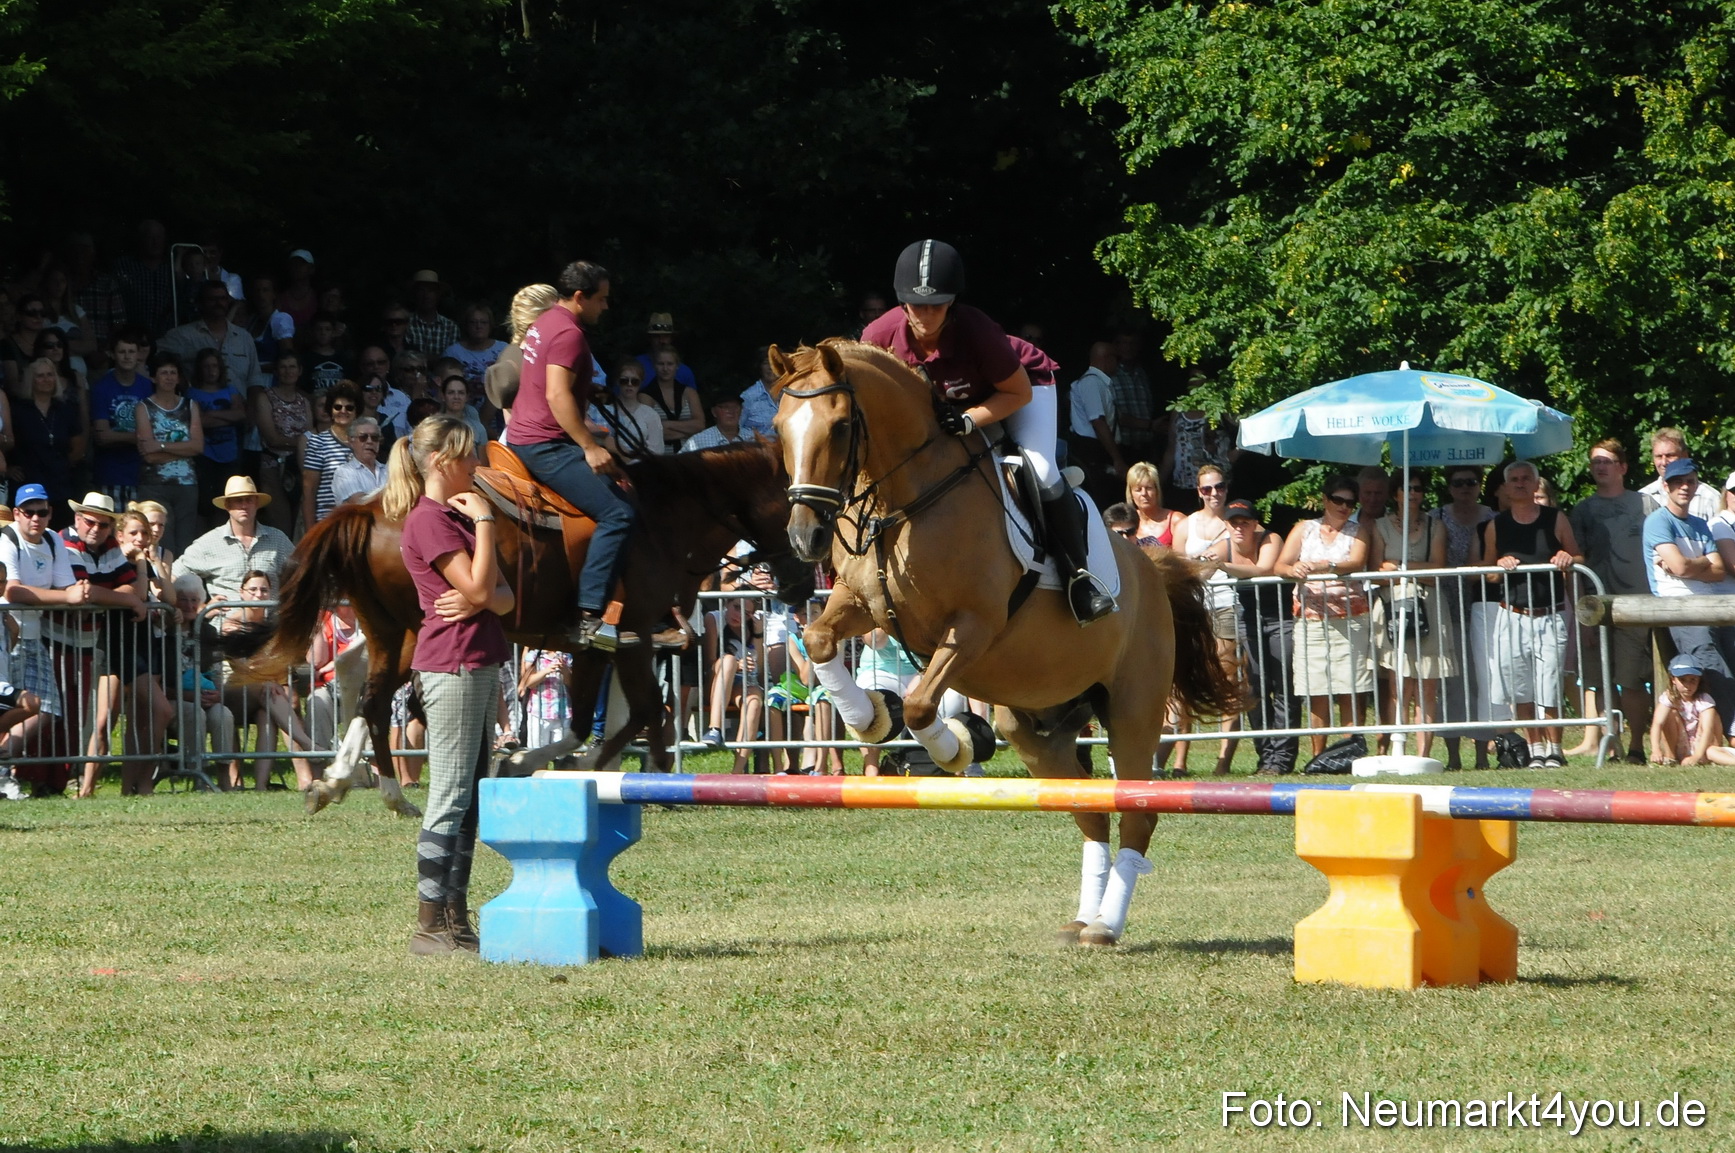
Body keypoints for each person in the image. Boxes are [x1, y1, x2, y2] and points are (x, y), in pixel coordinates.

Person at [859, 239, 1114, 624]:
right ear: (901, 302)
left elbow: (1016, 392)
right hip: (951, 408)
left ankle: (1079, 576)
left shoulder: (976, 331)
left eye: (937, 305)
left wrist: (969, 420)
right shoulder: (879, 338)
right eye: (917, 305)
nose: (926, 315)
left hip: (1020, 389)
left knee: (1041, 469)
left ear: (953, 302)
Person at [384, 413, 515, 955]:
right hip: (453, 665)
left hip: (478, 660)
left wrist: (483, 592)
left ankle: (455, 922)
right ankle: (429, 926)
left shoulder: (456, 516)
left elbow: (503, 597)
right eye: (468, 456)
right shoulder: (435, 520)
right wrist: (486, 525)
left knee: (471, 799)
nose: (477, 465)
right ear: (442, 461)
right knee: (451, 795)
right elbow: (482, 587)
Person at [511, 261, 637, 650]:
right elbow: (555, 394)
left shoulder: (545, 321)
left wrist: (587, 389)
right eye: (601, 299)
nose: (606, 307)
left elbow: (550, 385)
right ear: (580, 297)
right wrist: (589, 446)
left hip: (524, 433)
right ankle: (589, 617)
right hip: (545, 443)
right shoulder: (570, 333)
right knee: (619, 512)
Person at [1483, 459, 1582, 768]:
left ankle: (1555, 749)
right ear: (1506, 486)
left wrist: (1568, 557)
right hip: (1512, 614)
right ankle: (1535, 749)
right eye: (1514, 479)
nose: (1520, 483)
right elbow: (1487, 573)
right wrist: (1498, 566)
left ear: (1536, 483)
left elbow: (1578, 554)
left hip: (1550, 613)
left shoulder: (1554, 518)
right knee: (1520, 686)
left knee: (1550, 683)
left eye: (1526, 478)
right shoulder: (1496, 525)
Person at [1565, 440, 1655, 761]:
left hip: (1638, 606)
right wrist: (1582, 613)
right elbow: (1576, 565)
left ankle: (1637, 747)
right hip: (1596, 607)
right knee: (1601, 680)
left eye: (1606, 461)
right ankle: (1611, 743)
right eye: (1594, 462)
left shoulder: (1646, 505)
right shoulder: (1583, 510)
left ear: (1623, 467)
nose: (1599, 467)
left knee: (1631, 680)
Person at [1276, 475, 1373, 759]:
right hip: (1310, 617)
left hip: (1351, 616)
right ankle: (1319, 755)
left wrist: (1325, 565)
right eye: (1338, 500)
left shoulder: (1359, 530)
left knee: (1351, 687)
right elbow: (1280, 564)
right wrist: (1291, 570)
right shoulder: (1303, 529)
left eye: (1350, 502)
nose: (1344, 507)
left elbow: (1356, 561)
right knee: (1316, 688)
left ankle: (1350, 753)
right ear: (1325, 500)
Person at [1642, 456, 1735, 742]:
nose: (1684, 487)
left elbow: (1718, 571)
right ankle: (1732, 733)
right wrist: (1701, 564)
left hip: (1711, 605)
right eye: (1677, 482)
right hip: (1679, 608)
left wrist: (1687, 565)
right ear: (1665, 485)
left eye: (1690, 482)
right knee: (1713, 668)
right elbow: (1685, 567)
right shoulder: (1657, 521)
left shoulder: (1700, 524)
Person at [0, 484, 84, 796]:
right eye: (29, 512)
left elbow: (66, 585)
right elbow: (13, 590)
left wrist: (69, 595)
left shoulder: (52, 539)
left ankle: (3, 768)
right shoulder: (7, 538)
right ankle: (4, 772)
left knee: (44, 709)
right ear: (18, 513)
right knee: (19, 707)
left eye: (42, 511)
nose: (36, 518)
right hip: (7, 636)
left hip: (35, 636)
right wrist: (67, 597)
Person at [1368, 470, 1454, 759]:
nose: (1413, 493)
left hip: (1429, 606)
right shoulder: (1379, 526)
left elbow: (1437, 570)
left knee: (1428, 686)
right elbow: (1378, 573)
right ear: (1396, 493)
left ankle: (1423, 754)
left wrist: (1401, 565)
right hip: (1393, 606)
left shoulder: (1435, 526)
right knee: (1398, 685)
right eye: (1406, 488)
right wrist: (1415, 568)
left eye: (1417, 488)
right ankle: (1397, 751)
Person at [1168, 465, 1245, 775]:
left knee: (1229, 682)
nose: (1214, 494)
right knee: (1183, 683)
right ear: (1198, 492)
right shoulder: (1187, 526)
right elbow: (1177, 570)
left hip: (1225, 605)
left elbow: (1236, 558)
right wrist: (1205, 564)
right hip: (1193, 609)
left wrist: (1204, 564)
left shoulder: (1236, 523)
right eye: (1206, 489)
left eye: (1219, 487)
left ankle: (1223, 761)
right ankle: (1179, 762)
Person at [178, 476, 293, 603]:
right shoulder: (208, 543)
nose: (244, 505)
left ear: (256, 504)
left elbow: (301, 574)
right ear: (227, 505)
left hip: (270, 621)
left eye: (249, 500)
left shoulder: (278, 539)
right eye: (238, 501)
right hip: (225, 621)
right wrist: (200, 608)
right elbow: (175, 576)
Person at [135, 352, 204, 553]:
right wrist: (185, 449)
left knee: (186, 545)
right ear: (154, 377)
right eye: (164, 373)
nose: (169, 377)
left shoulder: (190, 405)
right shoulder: (143, 407)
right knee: (160, 544)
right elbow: (149, 455)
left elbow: (198, 446)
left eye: (173, 372)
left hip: (187, 485)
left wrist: (161, 446)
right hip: (154, 485)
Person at [159, 280, 264, 396]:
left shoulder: (244, 337)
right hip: (197, 409)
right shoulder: (182, 335)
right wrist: (179, 380)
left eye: (222, 298)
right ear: (200, 303)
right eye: (212, 299)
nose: (218, 303)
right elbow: (154, 356)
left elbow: (255, 380)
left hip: (239, 409)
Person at [11, 357, 83, 522]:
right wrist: (9, 468)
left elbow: (78, 448)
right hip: (28, 485)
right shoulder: (19, 411)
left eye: (50, 375)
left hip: (60, 486)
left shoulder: (65, 410)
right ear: (31, 380)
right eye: (40, 375)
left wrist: (61, 466)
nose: (46, 379)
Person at [249, 349, 312, 533]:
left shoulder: (304, 401)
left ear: (300, 371)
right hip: (273, 468)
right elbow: (272, 438)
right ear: (276, 371)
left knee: (299, 525)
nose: (288, 371)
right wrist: (300, 442)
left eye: (292, 366)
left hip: (299, 467)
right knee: (280, 525)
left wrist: (300, 443)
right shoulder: (265, 397)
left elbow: (309, 437)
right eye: (283, 367)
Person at [89, 331, 154, 505]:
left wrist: (117, 436)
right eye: (122, 352)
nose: (127, 357)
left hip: (142, 473)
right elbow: (102, 437)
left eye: (131, 352)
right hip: (110, 473)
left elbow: (156, 434)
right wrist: (141, 438)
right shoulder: (101, 388)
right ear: (112, 354)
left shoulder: (148, 387)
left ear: (139, 354)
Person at [187, 348, 248, 524]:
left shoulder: (231, 390)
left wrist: (211, 415)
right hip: (204, 456)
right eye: (206, 366)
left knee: (228, 502)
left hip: (230, 455)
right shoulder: (192, 394)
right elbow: (199, 422)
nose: (211, 370)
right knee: (205, 504)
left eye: (214, 366)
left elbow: (241, 414)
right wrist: (226, 417)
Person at [1066, 341, 1127, 509]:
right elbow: (1098, 422)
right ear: (1107, 359)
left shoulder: (1101, 383)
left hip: (1099, 454)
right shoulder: (1091, 383)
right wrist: (1117, 460)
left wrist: (1150, 425)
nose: (1119, 363)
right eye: (1117, 358)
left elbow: (1116, 419)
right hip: (1094, 456)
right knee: (1102, 504)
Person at [301, 382, 362, 529]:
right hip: (328, 524)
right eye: (337, 407)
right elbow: (308, 491)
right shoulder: (318, 442)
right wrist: (311, 532)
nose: (343, 411)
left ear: (356, 411)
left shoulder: (365, 441)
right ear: (330, 410)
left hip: (359, 524)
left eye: (349, 407)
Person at [1649, 655, 1720, 766]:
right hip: (1681, 741)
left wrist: (1696, 756)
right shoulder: (1669, 698)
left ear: (1699, 680)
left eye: (1693, 680)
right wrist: (1655, 749)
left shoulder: (1704, 699)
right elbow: (1657, 724)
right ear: (1673, 680)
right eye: (1682, 680)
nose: (1687, 686)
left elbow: (1707, 729)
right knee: (1670, 714)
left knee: (1712, 715)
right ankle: (1671, 757)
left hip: (1701, 744)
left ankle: (1706, 757)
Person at [1639, 427, 1718, 521]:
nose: (1664, 462)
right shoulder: (1642, 497)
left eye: (1670, 455)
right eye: (1659, 456)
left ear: (1685, 455)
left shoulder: (1710, 498)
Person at [589, 362, 662, 459]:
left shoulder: (650, 414)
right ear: (617, 382)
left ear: (641, 383)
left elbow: (657, 452)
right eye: (624, 381)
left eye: (635, 381)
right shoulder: (603, 412)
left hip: (641, 468)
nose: (629, 385)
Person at [1109, 329, 1158, 465]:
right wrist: (1150, 426)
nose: (1129, 348)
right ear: (1116, 346)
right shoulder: (1110, 374)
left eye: (1133, 343)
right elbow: (1114, 416)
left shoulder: (1142, 373)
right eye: (1124, 343)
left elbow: (1148, 409)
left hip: (1145, 447)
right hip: (1122, 449)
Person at [642, 347, 703, 452]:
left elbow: (700, 425)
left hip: (689, 454)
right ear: (654, 366)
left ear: (677, 366)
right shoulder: (645, 395)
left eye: (670, 364)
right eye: (661, 364)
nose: (665, 368)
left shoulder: (689, 393)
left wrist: (665, 424)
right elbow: (648, 432)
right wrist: (687, 431)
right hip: (660, 457)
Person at [445, 303, 508, 386]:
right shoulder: (452, 353)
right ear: (466, 325)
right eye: (473, 322)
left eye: (483, 322)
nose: (478, 326)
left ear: (490, 325)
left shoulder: (504, 349)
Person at [635, 312, 698, 391]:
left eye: (666, 336)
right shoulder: (636, 365)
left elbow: (692, 400)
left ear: (671, 338)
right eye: (657, 336)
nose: (662, 340)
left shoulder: (685, 372)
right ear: (650, 338)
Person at [1125, 461, 1182, 548]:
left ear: (1157, 490)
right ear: (1131, 493)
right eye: (1138, 489)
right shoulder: (1126, 522)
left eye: (1149, 488)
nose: (1144, 493)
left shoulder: (1176, 520)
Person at [331, 418, 389, 503]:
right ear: (351, 441)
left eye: (374, 437)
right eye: (363, 437)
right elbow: (361, 503)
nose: (369, 441)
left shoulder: (389, 470)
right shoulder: (344, 472)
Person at [405, 270, 459, 354]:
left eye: (431, 290)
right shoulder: (405, 323)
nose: (426, 295)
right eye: (421, 290)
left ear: (438, 294)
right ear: (415, 294)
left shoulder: (450, 326)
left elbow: (451, 359)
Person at [440, 375, 489, 454]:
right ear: (443, 396)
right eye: (451, 392)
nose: (456, 397)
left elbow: (483, 464)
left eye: (461, 393)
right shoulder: (433, 427)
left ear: (467, 397)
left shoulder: (479, 429)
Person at [682, 394, 749, 451]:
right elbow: (678, 463)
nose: (731, 411)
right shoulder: (698, 441)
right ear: (714, 412)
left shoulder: (753, 438)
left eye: (735, 407)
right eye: (725, 407)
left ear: (741, 410)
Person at [738, 347, 780, 439]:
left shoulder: (791, 394)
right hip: (758, 451)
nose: (771, 367)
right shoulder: (748, 397)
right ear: (759, 367)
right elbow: (736, 430)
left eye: (774, 362)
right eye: (766, 363)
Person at [277, 250, 319, 327]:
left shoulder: (318, 296)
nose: (297, 267)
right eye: (294, 264)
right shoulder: (280, 298)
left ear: (311, 269)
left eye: (302, 263)